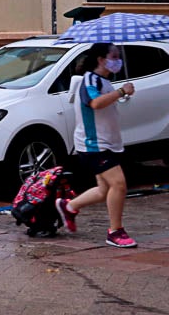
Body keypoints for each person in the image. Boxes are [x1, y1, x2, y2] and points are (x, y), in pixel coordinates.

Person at [55, 43, 138, 248]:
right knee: (118, 184)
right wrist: (121, 91)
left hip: (109, 143)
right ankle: (115, 231)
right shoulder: (90, 80)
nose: (118, 60)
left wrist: (121, 92)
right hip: (94, 145)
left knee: (104, 189)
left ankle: (69, 206)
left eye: (118, 57)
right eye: (114, 56)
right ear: (101, 60)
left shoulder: (104, 81)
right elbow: (96, 103)